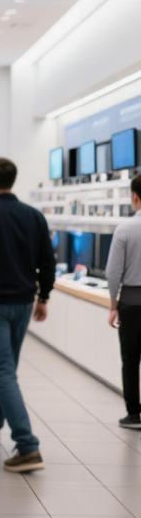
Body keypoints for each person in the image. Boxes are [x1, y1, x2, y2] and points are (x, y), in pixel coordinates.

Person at [0, 158, 55, 472]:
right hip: (23, 304)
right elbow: (48, 258)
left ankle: (27, 445)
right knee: (8, 370)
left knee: (4, 373)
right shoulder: (33, 215)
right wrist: (43, 296)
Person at [107, 174, 141, 429]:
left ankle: (133, 414)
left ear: (134, 197)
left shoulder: (125, 229)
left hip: (131, 303)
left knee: (130, 360)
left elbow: (113, 272)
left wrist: (112, 306)